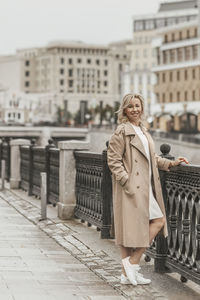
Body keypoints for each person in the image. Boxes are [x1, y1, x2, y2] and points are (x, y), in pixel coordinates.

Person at [107, 93, 188, 286]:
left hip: (146, 186)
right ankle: (132, 265)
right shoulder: (122, 131)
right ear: (124, 109)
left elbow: (152, 158)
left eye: (138, 105)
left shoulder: (143, 130)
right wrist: (126, 181)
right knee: (156, 222)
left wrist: (171, 163)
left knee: (149, 224)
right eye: (131, 106)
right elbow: (113, 159)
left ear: (142, 108)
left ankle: (127, 273)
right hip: (132, 187)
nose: (135, 109)